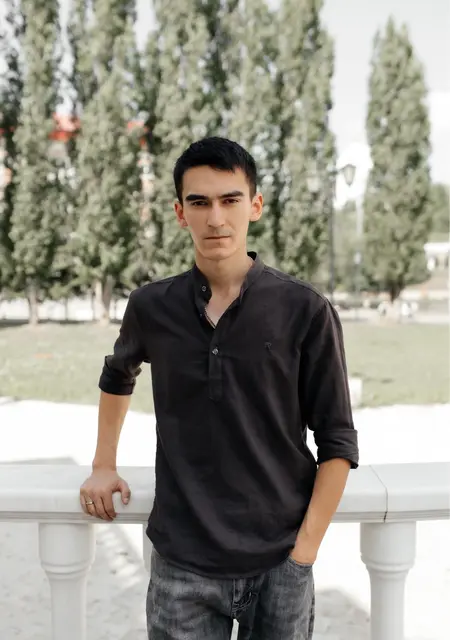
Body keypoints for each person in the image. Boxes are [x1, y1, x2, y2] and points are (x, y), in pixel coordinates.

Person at [80, 137, 359, 640]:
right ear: (180, 213)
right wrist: (103, 464)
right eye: (199, 202)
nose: (215, 218)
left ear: (255, 205)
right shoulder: (152, 306)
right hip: (181, 565)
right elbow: (117, 375)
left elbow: (337, 441)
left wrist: (303, 555)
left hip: (280, 563)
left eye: (230, 200)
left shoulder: (304, 309)